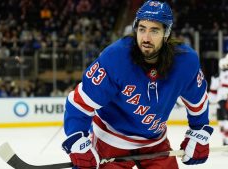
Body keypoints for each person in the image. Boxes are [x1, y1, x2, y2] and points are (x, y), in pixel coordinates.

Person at [61, 1, 213, 168]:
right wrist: (78, 142)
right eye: (142, 29)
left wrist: (199, 132)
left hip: (155, 143)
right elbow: (79, 103)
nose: (146, 38)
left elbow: (198, 102)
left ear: (166, 33)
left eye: (154, 30)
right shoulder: (115, 58)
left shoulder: (185, 61)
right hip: (110, 141)